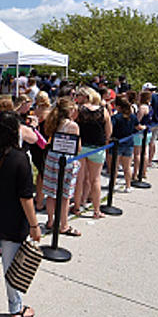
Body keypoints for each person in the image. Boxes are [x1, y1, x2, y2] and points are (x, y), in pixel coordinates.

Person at [0, 111, 42, 317]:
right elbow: (26, 196)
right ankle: (16, 307)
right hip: (12, 220)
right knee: (12, 265)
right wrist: (34, 224)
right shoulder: (20, 159)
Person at [42, 97, 81, 236]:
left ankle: (51, 221)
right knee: (65, 195)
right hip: (66, 160)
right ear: (70, 110)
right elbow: (77, 147)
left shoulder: (52, 121)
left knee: (51, 193)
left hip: (52, 157)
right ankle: (64, 225)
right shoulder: (72, 126)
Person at [73, 87, 111, 218]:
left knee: (80, 178)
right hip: (98, 147)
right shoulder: (103, 111)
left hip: (82, 147)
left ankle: (77, 207)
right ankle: (96, 210)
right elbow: (109, 131)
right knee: (95, 179)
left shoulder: (78, 110)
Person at [110, 96, 139, 193]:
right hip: (129, 143)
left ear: (118, 107)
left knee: (115, 167)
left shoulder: (115, 118)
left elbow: (110, 129)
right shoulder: (133, 117)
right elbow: (137, 127)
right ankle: (128, 185)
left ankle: (113, 185)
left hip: (117, 144)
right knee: (127, 167)